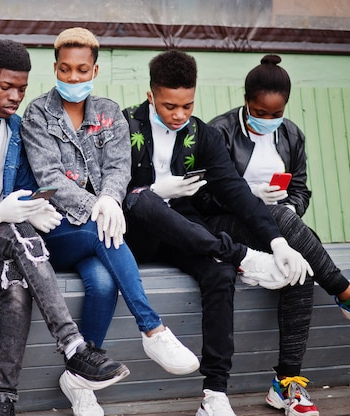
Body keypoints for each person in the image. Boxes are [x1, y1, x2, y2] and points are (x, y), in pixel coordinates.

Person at [0, 39, 129, 416]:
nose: (16, 96)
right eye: (6, 86)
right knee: (20, 233)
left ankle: (3, 400)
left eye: (22, 87)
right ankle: (73, 345)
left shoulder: (20, 129)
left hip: (5, 243)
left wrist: (34, 205)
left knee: (16, 284)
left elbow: (26, 189)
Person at [120, 50, 313, 416]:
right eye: (169, 106)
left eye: (187, 105)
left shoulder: (203, 134)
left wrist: (277, 241)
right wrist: (158, 191)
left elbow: (236, 192)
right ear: (151, 96)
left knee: (219, 272)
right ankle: (241, 255)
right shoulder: (124, 124)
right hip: (138, 233)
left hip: (186, 235)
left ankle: (214, 394)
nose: (179, 115)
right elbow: (114, 189)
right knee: (143, 200)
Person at [21, 28, 201, 416]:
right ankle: (152, 329)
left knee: (103, 284)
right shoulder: (37, 113)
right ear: (55, 68)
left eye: (81, 70)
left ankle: (80, 380)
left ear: (95, 69)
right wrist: (98, 204)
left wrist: (109, 198)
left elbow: (119, 168)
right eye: (65, 69)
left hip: (99, 228)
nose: (73, 78)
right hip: (57, 229)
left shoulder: (109, 112)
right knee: (101, 233)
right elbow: (49, 177)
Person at [204, 54, 350, 416]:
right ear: (246, 100)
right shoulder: (219, 131)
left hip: (277, 231)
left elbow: (301, 191)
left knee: (299, 268)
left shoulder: (292, 135)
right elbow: (202, 195)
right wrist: (251, 198)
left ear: (285, 106)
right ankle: (344, 291)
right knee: (275, 220)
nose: (267, 120)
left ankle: (286, 383)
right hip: (225, 224)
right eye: (259, 112)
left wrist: (289, 207)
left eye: (275, 113)